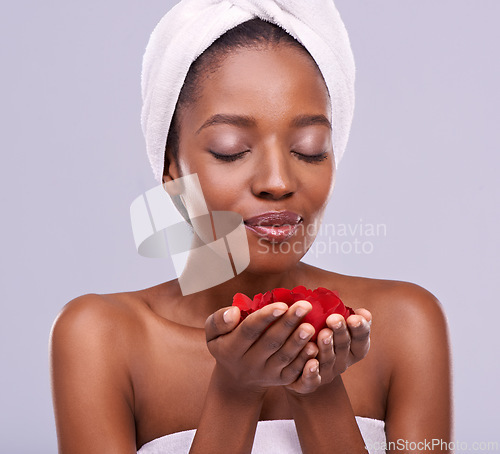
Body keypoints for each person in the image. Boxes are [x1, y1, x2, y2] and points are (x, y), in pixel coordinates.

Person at [49, 1, 453, 453]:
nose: (278, 182)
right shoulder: (102, 339)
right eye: (230, 150)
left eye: (309, 148)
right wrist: (234, 392)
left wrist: (316, 386)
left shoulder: (405, 326)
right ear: (171, 171)